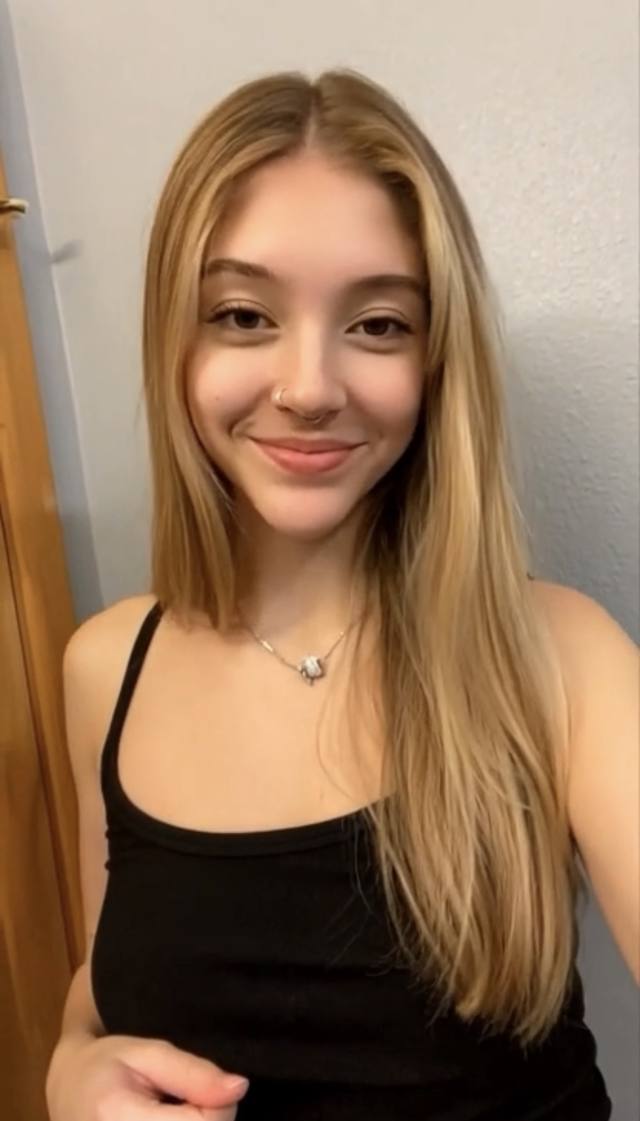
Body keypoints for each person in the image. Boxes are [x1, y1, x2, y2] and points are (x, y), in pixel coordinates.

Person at [45, 67, 638, 1121]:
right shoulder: (104, 667)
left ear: (436, 358)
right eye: (243, 314)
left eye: (378, 324)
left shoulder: (559, 658)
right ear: (176, 340)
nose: (311, 387)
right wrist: (69, 1063)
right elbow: (106, 984)